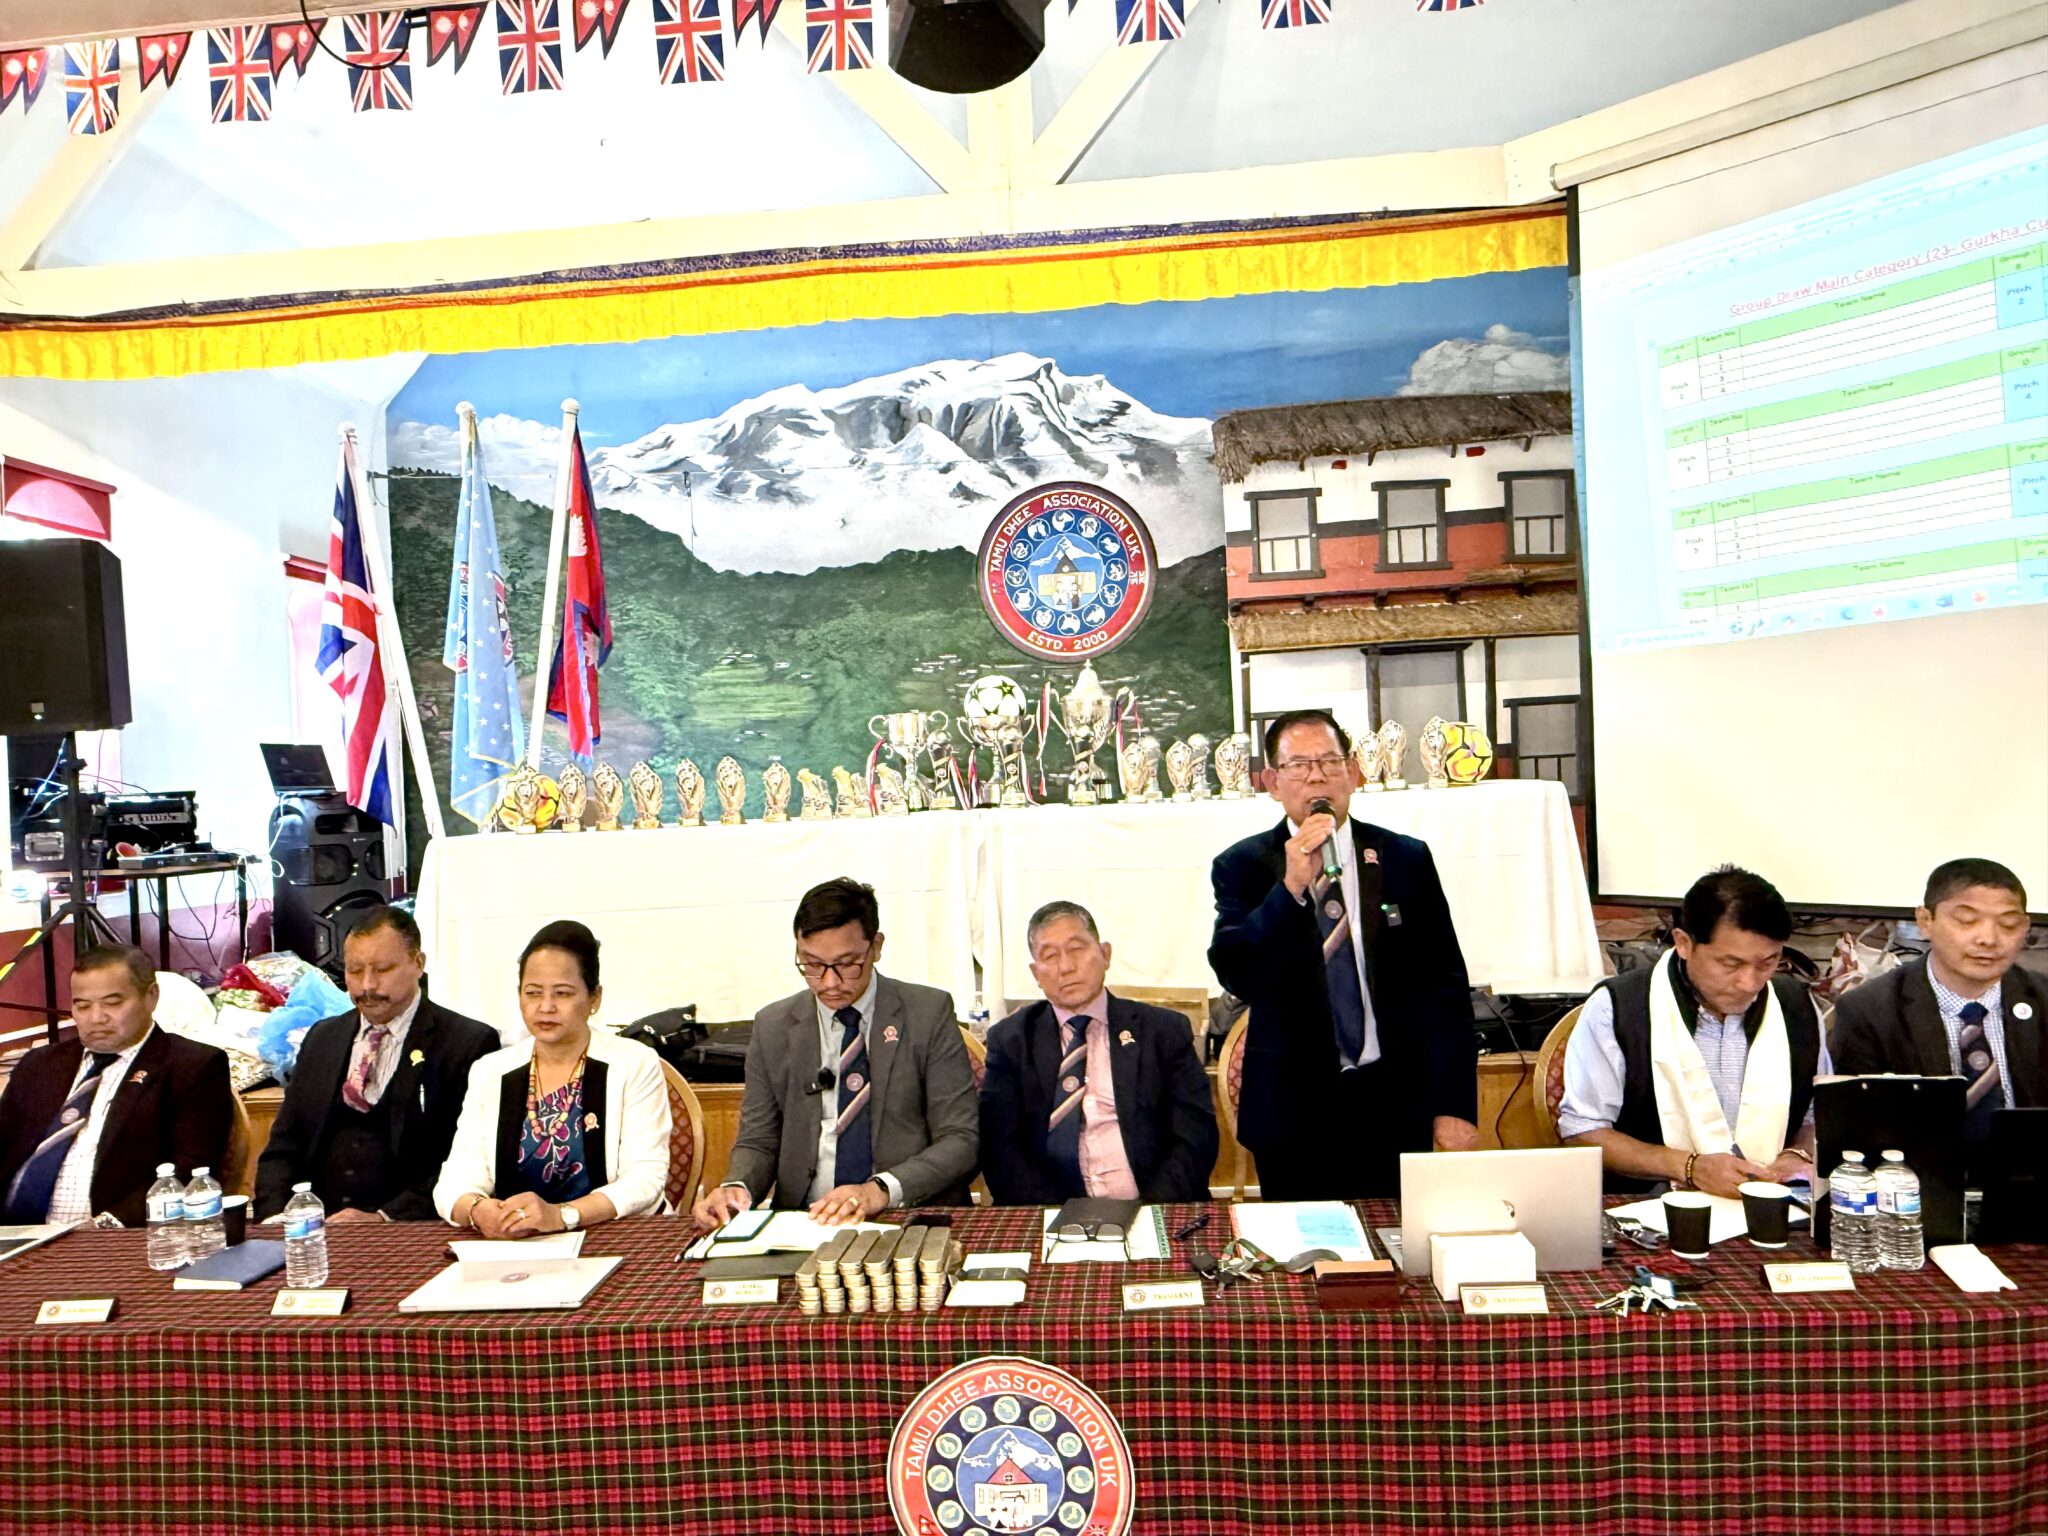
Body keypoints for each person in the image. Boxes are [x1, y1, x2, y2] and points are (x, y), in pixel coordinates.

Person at [1208, 709, 1478, 1200]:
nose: (1317, 776)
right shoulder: (1241, 866)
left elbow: (1445, 987)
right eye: (1298, 765)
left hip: (1396, 1103)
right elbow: (1238, 971)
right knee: (1305, 1245)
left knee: (1400, 1240)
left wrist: (1454, 1106)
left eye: (1329, 762)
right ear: (1272, 782)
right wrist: (1290, 888)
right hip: (1293, 1113)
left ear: (1353, 772)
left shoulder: (1404, 858)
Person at [691, 877, 978, 1228]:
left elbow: (961, 1139)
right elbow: (759, 1140)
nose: (829, 983)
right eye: (812, 965)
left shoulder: (927, 1013)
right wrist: (736, 1187)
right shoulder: (773, 1026)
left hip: (904, 1215)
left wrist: (880, 1190)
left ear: (876, 947)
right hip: (804, 1220)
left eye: (847, 964)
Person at [1559, 866, 1828, 1196]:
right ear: (1684, 943)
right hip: (1655, 1203)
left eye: (1767, 963)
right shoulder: (1619, 1008)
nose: (1750, 983)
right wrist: (1689, 1167)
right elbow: (1582, 1130)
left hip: (1773, 1202)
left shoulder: (1796, 1007)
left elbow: (1819, 1114)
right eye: (1730, 964)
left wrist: (1797, 1155)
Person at [254, 906, 498, 1222]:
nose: (367, 985)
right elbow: (284, 1148)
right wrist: (276, 1221)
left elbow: (466, 1164)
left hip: (410, 1228)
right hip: (314, 1227)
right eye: (355, 971)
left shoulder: (466, 1043)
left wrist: (384, 1218)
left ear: (419, 963)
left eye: (382, 969)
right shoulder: (322, 1038)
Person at [435, 920, 671, 1233]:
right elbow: (454, 1182)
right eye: (533, 993)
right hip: (518, 1241)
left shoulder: (634, 1063)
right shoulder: (491, 1071)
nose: (545, 1007)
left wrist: (562, 1216)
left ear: (594, 998)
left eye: (562, 993)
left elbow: (645, 1177)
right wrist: (478, 1210)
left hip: (618, 1235)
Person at [979, 901, 1219, 1206]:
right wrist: (1057, 1216)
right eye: (1050, 956)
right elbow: (1000, 1149)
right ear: (1035, 973)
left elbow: (1195, 1137)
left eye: (1076, 949)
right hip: (1050, 1213)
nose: (1066, 967)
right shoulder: (1011, 1041)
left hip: (1154, 1206)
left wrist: (1150, 1210)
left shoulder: (1162, 1031)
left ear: (1105, 954)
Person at [0, 944, 232, 1227]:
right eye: (82, 1005)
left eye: (112, 1003)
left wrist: (105, 1225)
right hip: (13, 1232)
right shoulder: (40, 1064)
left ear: (151, 996)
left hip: (112, 1232)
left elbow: (192, 1168)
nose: (96, 1018)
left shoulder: (191, 1066)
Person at [1831, 858, 2042, 1168]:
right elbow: (1862, 1131)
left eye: (2008, 925)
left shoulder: (2042, 1000)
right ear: (1925, 921)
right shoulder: (1869, 1010)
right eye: (1967, 921)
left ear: (2024, 927)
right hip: (1916, 1183)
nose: (1988, 939)